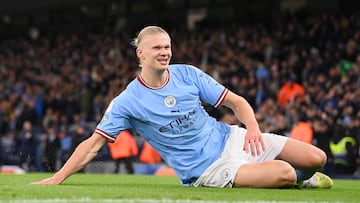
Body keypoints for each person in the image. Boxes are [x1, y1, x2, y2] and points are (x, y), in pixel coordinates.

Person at [32, 25, 333, 189]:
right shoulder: (127, 101)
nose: (165, 52)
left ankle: (287, 174)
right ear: (141, 54)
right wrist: (58, 177)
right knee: (283, 173)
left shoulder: (187, 73)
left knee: (316, 157)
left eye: (167, 47)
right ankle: (296, 182)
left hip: (232, 138)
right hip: (207, 168)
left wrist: (252, 128)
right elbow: (94, 145)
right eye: (157, 48)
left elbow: (236, 102)